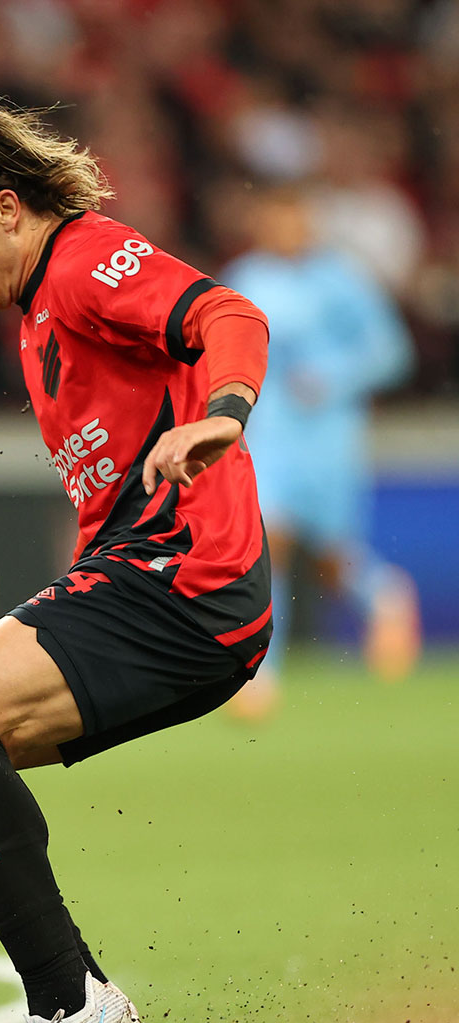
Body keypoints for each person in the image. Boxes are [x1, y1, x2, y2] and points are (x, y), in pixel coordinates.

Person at [0, 98, 273, 1023]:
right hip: (137, 576)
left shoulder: (81, 260)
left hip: (183, 581)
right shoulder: (36, 316)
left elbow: (229, 316)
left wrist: (222, 417)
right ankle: (75, 991)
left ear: (8, 211)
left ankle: (67, 1005)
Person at [219, 183, 419, 719]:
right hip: (270, 436)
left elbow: (394, 352)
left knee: (331, 557)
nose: (284, 230)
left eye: (294, 219)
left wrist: (333, 377)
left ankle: (382, 593)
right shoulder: (246, 279)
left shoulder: (342, 281)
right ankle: (262, 674)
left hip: (330, 438)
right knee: (267, 543)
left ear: (309, 223)